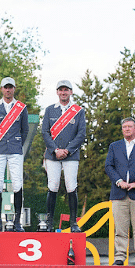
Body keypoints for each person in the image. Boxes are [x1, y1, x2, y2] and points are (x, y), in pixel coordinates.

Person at [104, 117, 135, 265]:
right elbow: (109, 166)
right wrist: (119, 182)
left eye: (130, 126)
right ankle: (120, 257)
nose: (127, 129)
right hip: (119, 194)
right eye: (124, 127)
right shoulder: (114, 146)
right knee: (120, 230)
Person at [41, 80, 86, 232]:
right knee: (52, 186)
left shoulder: (78, 111)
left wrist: (67, 150)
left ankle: (73, 223)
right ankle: (49, 222)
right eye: (61, 90)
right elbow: (45, 132)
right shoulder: (49, 110)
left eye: (66, 90)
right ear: (57, 92)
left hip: (71, 155)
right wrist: (55, 150)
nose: (63, 92)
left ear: (71, 92)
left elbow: (81, 134)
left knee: (71, 186)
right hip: (52, 155)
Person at [0, 76, 29, 231]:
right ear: (1, 89)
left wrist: (16, 143)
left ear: (14, 89)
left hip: (15, 150)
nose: (8, 90)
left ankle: (17, 222)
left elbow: (25, 131)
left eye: (10, 87)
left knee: (17, 184)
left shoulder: (21, 108)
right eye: (5, 87)